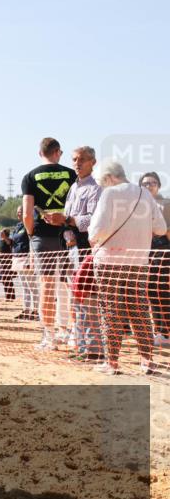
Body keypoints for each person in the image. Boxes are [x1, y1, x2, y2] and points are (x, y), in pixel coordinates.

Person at [89, 161, 167, 374]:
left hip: (109, 261)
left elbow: (97, 230)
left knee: (110, 311)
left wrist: (93, 238)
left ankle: (112, 363)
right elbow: (161, 229)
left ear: (109, 178)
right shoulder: (145, 194)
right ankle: (147, 360)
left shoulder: (110, 194)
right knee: (140, 310)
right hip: (139, 262)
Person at [22, 137, 77, 351]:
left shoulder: (30, 176)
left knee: (46, 285)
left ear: (40, 153)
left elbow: (27, 213)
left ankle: (49, 337)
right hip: (66, 232)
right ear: (58, 152)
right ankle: (71, 332)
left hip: (42, 236)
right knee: (69, 283)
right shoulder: (70, 174)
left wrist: (30, 233)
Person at [62, 146, 103, 360]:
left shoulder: (96, 189)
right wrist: (64, 226)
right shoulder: (73, 188)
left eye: (82, 159)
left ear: (93, 162)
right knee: (75, 298)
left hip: (89, 249)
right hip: (72, 249)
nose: (77, 163)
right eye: (74, 159)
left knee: (89, 299)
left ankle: (95, 349)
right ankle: (80, 346)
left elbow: (92, 221)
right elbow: (69, 216)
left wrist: (68, 220)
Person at [140, 172, 170, 346]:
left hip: (164, 253)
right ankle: (159, 331)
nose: (148, 186)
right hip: (145, 253)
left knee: (164, 293)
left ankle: (166, 333)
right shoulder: (139, 205)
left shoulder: (165, 204)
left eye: (152, 183)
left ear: (158, 185)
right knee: (151, 294)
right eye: (144, 184)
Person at [11, 205, 39, 321]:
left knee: (32, 286)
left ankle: (36, 311)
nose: (18, 214)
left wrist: (31, 259)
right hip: (17, 258)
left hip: (27, 257)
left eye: (21, 212)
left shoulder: (30, 225)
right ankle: (26, 310)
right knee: (24, 286)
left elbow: (32, 242)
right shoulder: (18, 226)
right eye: (18, 212)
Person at [0, 228, 17, 301]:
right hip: (2, 263)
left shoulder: (8, 240)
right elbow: (2, 249)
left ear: (5, 234)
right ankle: (8, 296)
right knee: (5, 280)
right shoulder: (1, 240)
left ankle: (10, 297)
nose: (0, 234)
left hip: (8, 262)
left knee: (7, 279)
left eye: (1, 233)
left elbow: (9, 244)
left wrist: (5, 237)